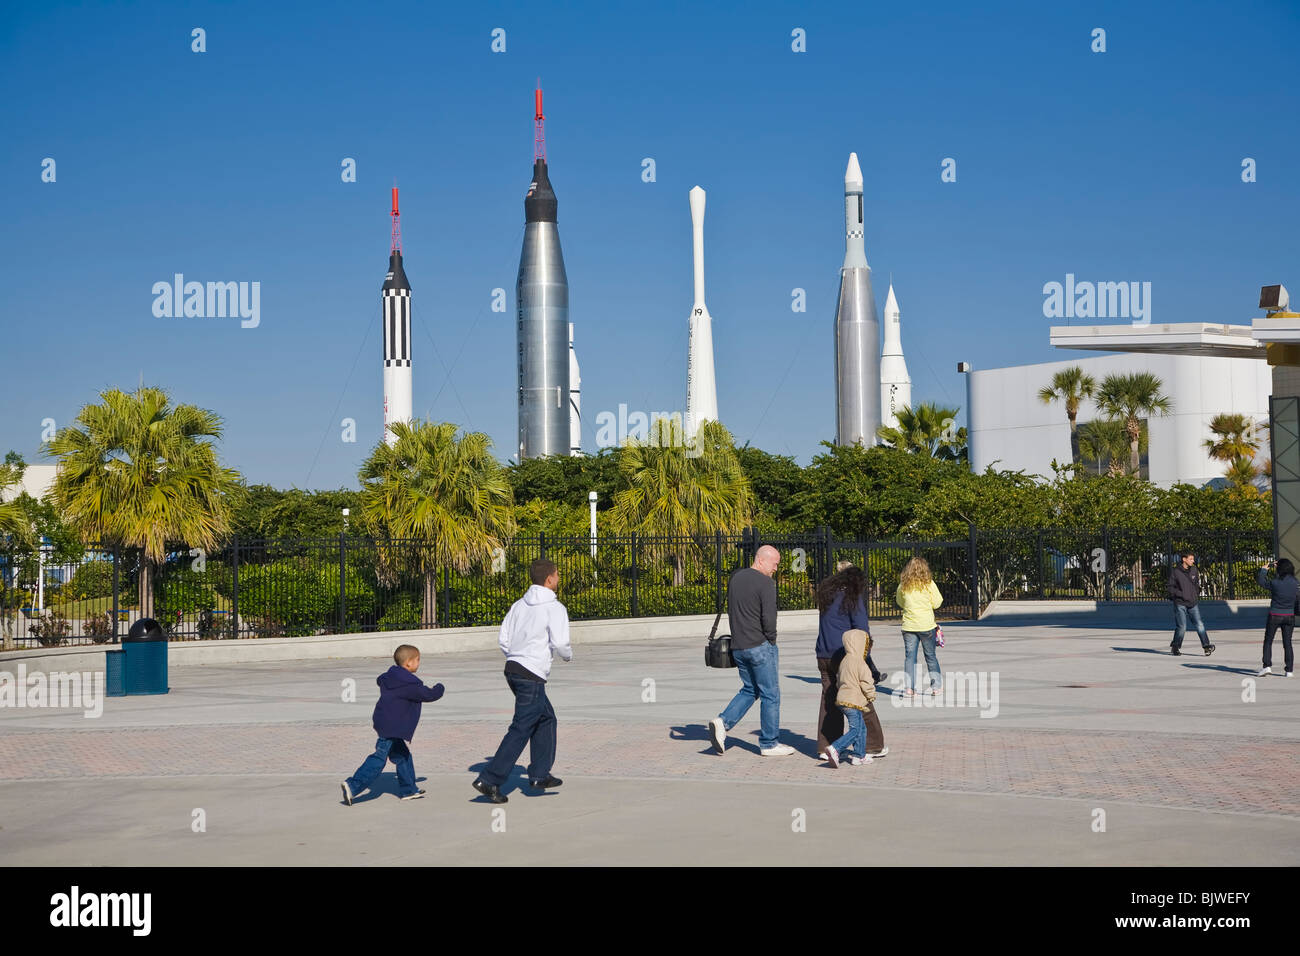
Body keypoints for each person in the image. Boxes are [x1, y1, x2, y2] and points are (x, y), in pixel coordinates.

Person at [472, 558, 572, 804]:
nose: (558, 579)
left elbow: (504, 638)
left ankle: (539, 775)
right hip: (531, 674)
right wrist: (568, 655)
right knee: (521, 727)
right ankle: (490, 779)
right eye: (557, 575)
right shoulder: (555, 608)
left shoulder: (519, 605)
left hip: (513, 668)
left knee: (546, 718)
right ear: (549, 579)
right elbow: (560, 643)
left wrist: (517, 656)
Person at [707, 544, 794, 756]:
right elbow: (769, 618)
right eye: (775, 564)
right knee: (770, 694)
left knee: (750, 689)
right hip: (759, 646)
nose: (775, 568)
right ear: (762, 559)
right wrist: (771, 640)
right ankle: (769, 743)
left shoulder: (736, 578)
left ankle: (722, 722)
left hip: (739, 646)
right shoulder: (766, 583)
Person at [341, 644, 445, 804]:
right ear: (408, 663)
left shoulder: (389, 677)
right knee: (379, 758)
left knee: (402, 756)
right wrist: (440, 687)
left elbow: (379, 679)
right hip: (393, 727)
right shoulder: (410, 685)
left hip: (384, 722)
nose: (419, 663)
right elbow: (429, 695)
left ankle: (409, 790)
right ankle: (353, 786)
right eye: (418, 660)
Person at [814, 564, 885, 759]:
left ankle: (826, 745)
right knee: (860, 696)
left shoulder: (827, 595)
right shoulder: (852, 598)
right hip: (845, 654)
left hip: (823, 652)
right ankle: (872, 744)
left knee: (829, 699)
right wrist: (867, 658)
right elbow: (862, 631)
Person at [824, 628, 887, 767]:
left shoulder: (844, 661)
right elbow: (866, 682)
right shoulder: (860, 662)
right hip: (853, 702)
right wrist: (871, 696)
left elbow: (839, 679)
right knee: (856, 730)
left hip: (843, 700)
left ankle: (859, 755)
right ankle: (835, 748)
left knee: (861, 728)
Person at [895, 557, 944, 697]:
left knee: (910, 658)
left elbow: (900, 602)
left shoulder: (903, 585)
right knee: (931, 656)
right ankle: (936, 687)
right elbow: (937, 602)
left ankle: (909, 689)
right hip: (926, 624)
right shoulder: (929, 584)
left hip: (909, 626)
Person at [1167, 551, 1215, 657]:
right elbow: (1170, 588)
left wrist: (1195, 593)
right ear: (1184, 559)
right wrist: (1181, 594)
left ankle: (1206, 646)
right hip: (1180, 603)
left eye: (1193, 559)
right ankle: (1175, 646)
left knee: (1199, 624)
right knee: (1182, 627)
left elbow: (1197, 583)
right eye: (1191, 559)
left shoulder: (1194, 570)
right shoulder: (1176, 572)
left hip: (1193, 603)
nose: (1193, 561)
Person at [1255, 559, 1296, 677]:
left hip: (1275, 615)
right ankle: (1289, 670)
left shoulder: (1275, 582)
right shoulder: (1295, 582)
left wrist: (1263, 570)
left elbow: (1262, 582)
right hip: (1289, 615)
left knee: (1268, 641)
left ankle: (1267, 666)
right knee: (1287, 643)